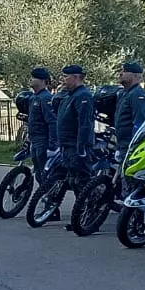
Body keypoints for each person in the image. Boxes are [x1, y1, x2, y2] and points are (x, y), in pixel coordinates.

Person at [53, 65, 96, 213]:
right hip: (67, 145)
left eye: (66, 76)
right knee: (73, 180)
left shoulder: (83, 96)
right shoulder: (69, 95)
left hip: (76, 146)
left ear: (77, 77)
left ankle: (89, 214)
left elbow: (85, 124)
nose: (63, 80)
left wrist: (82, 147)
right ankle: (80, 214)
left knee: (82, 181)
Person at [114, 62, 145, 159]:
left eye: (125, 71)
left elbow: (140, 122)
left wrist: (134, 146)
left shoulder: (137, 95)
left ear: (135, 76)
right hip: (122, 144)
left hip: (130, 146)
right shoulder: (124, 93)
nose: (120, 73)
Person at [25, 68, 56, 180]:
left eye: (34, 78)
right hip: (34, 138)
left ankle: (48, 195)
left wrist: (52, 144)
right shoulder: (33, 97)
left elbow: (52, 121)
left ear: (43, 81)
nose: (31, 80)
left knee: (44, 172)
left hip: (43, 139)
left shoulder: (46, 98)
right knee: (38, 172)